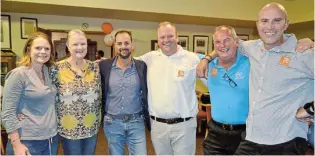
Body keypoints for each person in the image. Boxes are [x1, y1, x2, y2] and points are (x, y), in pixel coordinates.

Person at [197, 3, 314, 155]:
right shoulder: (252, 47)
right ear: (257, 24)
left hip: (286, 140)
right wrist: (206, 58)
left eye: (276, 20)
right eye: (264, 21)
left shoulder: (303, 53)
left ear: (286, 24)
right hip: (253, 138)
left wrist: (310, 109)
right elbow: (225, 45)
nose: (270, 27)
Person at [139, 21, 199, 155]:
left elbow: (211, 80)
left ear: (177, 37)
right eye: (162, 37)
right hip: (158, 126)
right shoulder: (149, 58)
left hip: (184, 126)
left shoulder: (192, 59)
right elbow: (126, 64)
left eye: (170, 36)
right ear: (158, 39)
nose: (166, 40)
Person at [1, 32, 58, 155]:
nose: (43, 51)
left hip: (50, 138)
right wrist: (16, 144)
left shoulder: (48, 72)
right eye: (38, 48)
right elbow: (7, 112)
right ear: (28, 49)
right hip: (27, 141)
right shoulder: (18, 75)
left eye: (47, 48)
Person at [199, 25, 249, 155]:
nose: (223, 45)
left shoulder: (250, 62)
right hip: (216, 133)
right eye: (218, 42)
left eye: (227, 40)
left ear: (236, 42)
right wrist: (206, 59)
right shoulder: (208, 65)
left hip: (245, 133)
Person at [50, 29, 102, 155]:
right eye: (75, 44)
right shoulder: (56, 68)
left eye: (83, 44)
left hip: (91, 126)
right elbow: (46, 95)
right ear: (68, 46)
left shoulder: (94, 67)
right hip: (69, 128)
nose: (80, 47)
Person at [99, 30, 150, 155]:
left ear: (132, 45)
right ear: (115, 46)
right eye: (119, 43)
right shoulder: (104, 66)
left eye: (126, 43)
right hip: (113, 123)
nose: (123, 47)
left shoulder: (142, 66)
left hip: (136, 122)